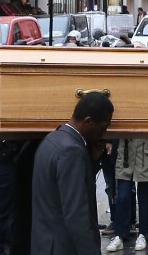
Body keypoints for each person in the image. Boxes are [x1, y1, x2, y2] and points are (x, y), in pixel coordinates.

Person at [31, 91, 114, 255]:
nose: (104, 133)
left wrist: (91, 162)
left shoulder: (52, 139)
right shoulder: (72, 151)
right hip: (64, 248)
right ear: (88, 121)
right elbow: (76, 215)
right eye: (103, 126)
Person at [107, 138, 148, 251]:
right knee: (122, 196)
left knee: (145, 197)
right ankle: (119, 234)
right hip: (126, 148)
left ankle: (143, 234)